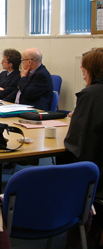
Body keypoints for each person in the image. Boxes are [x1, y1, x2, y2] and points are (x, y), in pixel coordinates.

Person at [58, 48, 103, 249]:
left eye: (83, 68)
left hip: (93, 174)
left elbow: (76, 142)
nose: (81, 71)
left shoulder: (90, 94)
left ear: (91, 70)